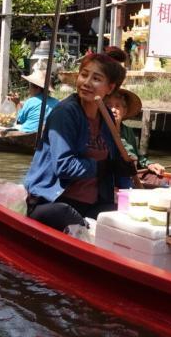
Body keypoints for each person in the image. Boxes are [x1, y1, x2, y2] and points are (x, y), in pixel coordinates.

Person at [23, 52, 137, 231]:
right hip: (55, 201)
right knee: (78, 224)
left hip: (92, 204)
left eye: (96, 79)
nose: (86, 83)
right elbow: (64, 166)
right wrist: (102, 166)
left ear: (110, 87)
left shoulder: (106, 116)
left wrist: (124, 172)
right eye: (84, 75)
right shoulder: (65, 113)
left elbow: (115, 163)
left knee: (129, 221)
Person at [105, 87, 166, 182]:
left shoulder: (128, 131)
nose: (113, 110)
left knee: (162, 180)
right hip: (116, 177)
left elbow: (139, 157)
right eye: (109, 106)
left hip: (134, 174)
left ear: (124, 111)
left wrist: (150, 165)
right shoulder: (100, 131)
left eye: (117, 106)